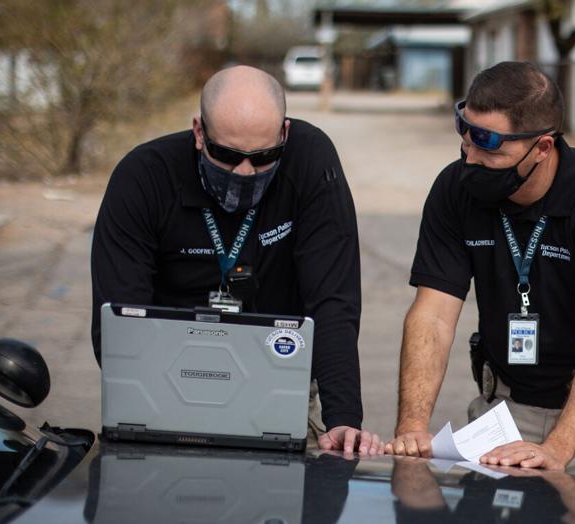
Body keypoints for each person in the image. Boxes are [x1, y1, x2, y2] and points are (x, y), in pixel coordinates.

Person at [385, 61, 575, 483]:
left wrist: (556, 450)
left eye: (491, 150)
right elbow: (433, 316)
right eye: (466, 139)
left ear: (542, 148)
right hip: (504, 414)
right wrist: (411, 427)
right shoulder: (455, 189)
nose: (471, 160)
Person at [90, 66, 380, 453]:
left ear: (285, 134)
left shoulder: (311, 161)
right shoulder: (143, 178)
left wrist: (344, 419)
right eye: (226, 155)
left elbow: (333, 298)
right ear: (199, 132)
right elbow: (118, 320)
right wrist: (151, 407)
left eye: (264, 157)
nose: (245, 172)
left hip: (279, 379)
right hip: (165, 382)